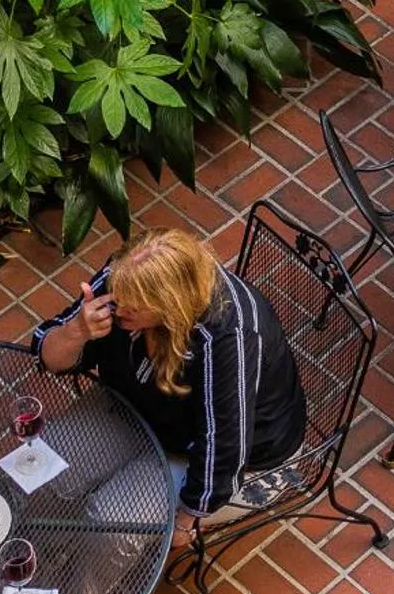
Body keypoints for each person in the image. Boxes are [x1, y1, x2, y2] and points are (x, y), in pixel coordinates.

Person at [35, 227, 306, 556]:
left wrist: (185, 520)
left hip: (230, 458)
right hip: (141, 408)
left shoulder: (228, 338)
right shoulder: (123, 280)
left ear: (171, 307)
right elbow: (48, 354)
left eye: (133, 308)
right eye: (118, 299)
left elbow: (226, 447)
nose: (118, 311)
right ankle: (36, 558)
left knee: (111, 527)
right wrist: (77, 330)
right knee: (42, 467)